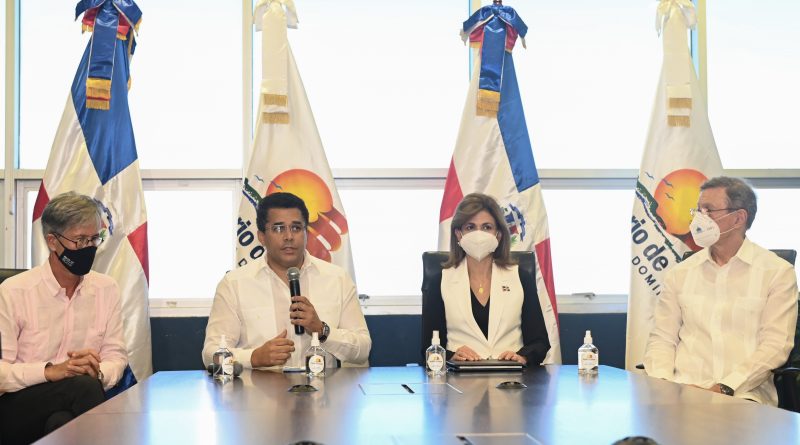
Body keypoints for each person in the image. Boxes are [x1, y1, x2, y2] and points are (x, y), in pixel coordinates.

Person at [644, 176, 798, 405]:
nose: (698, 218)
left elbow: (775, 346)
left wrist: (724, 388)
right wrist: (665, 385)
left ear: (738, 218)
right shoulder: (680, 273)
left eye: (709, 210)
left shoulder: (777, 272)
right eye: (698, 210)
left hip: (743, 395)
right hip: (682, 392)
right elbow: (662, 338)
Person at [0, 191, 128, 444]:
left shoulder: (106, 288)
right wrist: (50, 372)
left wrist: (95, 372)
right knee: (82, 387)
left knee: (61, 422)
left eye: (95, 238)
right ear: (52, 241)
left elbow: (116, 357)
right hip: (15, 407)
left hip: (74, 401)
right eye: (79, 240)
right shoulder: (14, 292)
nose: (89, 248)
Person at [202, 192, 371, 370]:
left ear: (306, 233)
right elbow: (211, 353)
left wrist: (322, 331)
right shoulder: (234, 284)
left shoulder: (337, 279)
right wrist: (253, 357)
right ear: (261, 236)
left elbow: (363, 349)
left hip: (323, 386)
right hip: (259, 387)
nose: (289, 236)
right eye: (278, 228)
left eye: (296, 228)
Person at [421, 193, 550, 366]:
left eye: (487, 227)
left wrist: (523, 357)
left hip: (511, 375)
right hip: (460, 376)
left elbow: (540, 342)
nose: (479, 234)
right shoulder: (440, 280)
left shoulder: (520, 276)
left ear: (498, 234)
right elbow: (428, 347)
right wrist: (451, 356)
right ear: (459, 234)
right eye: (470, 227)